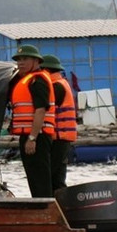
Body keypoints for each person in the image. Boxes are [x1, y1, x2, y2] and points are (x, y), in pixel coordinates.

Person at [9, 44, 56, 198]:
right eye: (18, 60)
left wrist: (32, 138)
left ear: (36, 61)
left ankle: (45, 210)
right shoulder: (24, 80)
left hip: (38, 136)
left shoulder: (38, 80)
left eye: (25, 59)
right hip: (28, 136)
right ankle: (39, 207)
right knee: (33, 177)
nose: (20, 63)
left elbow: (41, 109)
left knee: (40, 178)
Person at [42, 54, 77, 192]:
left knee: (50, 173)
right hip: (63, 137)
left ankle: (52, 204)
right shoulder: (62, 84)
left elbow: (43, 107)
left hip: (58, 136)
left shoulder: (56, 87)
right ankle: (61, 204)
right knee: (57, 177)